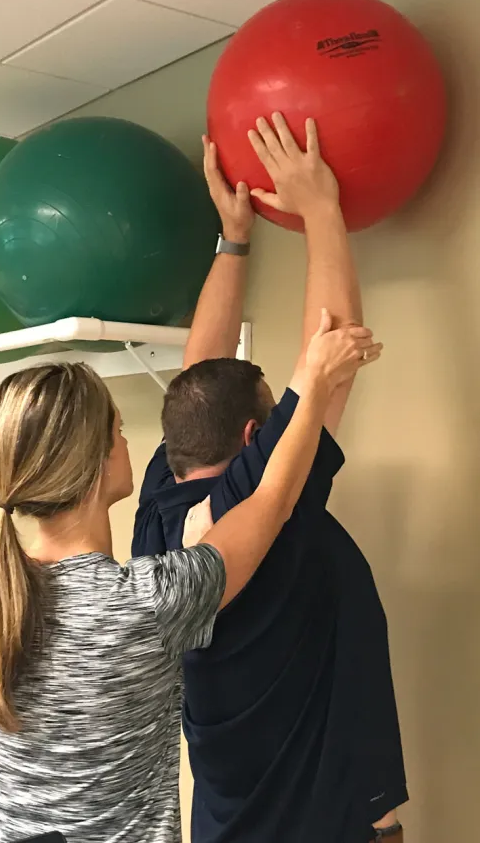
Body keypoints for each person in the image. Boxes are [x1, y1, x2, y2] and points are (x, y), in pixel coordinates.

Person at [0, 321, 378, 843]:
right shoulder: (149, 602)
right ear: (97, 461)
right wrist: (313, 381)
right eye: (119, 431)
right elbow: (272, 501)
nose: (128, 441)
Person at [132, 114, 406, 843]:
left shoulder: (162, 510)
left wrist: (234, 239)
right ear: (257, 440)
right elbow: (331, 354)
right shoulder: (262, 502)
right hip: (319, 826)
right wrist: (320, 207)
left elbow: (200, 378)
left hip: (229, 821)